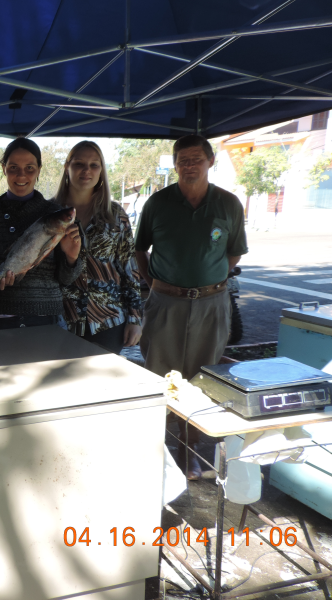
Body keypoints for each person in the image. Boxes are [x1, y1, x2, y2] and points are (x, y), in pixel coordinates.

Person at [134, 134, 248, 480]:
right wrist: (152, 283)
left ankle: (190, 452)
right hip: (165, 303)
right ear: (175, 164)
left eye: (196, 158)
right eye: (182, 159)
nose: (189, 165)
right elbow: (140, 250)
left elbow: (234, 253)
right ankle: (155, 450)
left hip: (212, 305)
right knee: (159, 376)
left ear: (210, 161)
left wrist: (207, 282)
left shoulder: (228, 204)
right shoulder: (158, 203)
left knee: (203, 378)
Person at [0, 137, 83, 331]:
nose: (21, 175)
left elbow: (68, 280)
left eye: (29, 168)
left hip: (47, 319)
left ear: (39, 170)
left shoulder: (58, 215)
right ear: (3, 168)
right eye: (13, 168)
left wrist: (71, 257)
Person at [54, 141, 142, 354]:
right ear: (67, 167)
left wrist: (135, 318)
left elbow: (129, 270)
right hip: (60, 319)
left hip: (107, 320)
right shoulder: (50, 214)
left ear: (102, 171)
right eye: (79, 164)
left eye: (94, 165)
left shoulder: (115, 215)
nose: (87, 170)